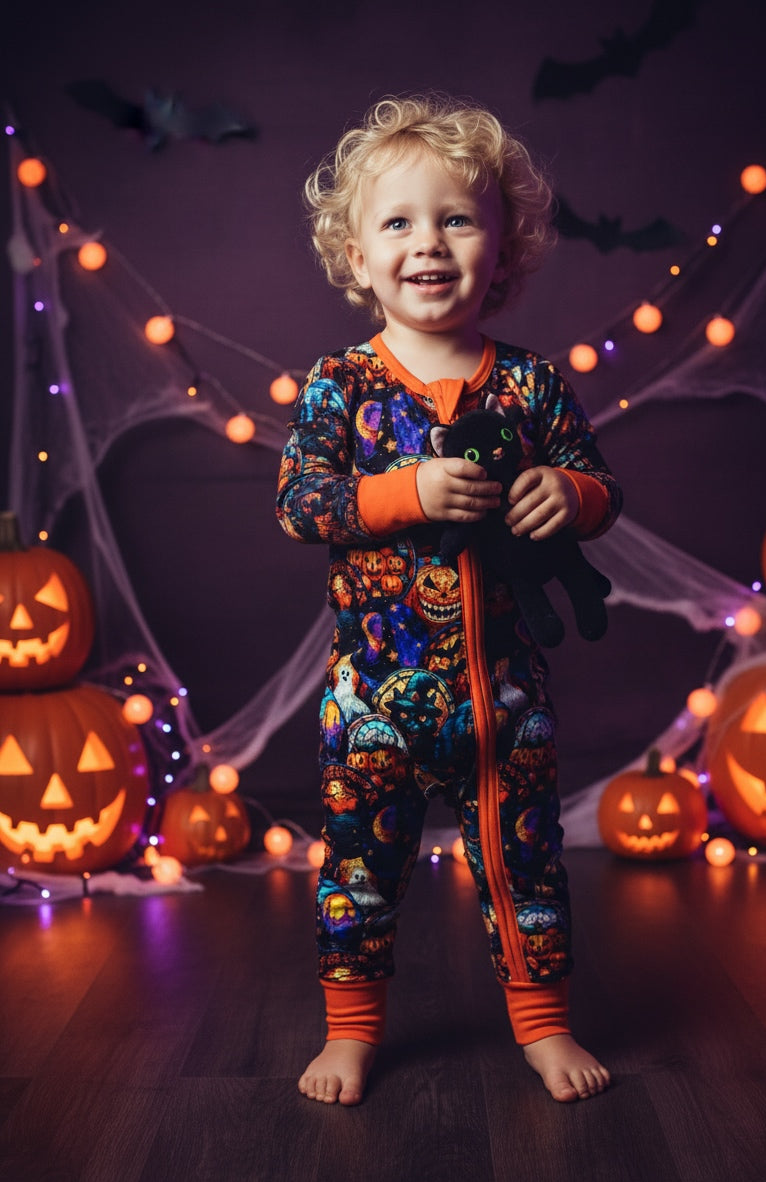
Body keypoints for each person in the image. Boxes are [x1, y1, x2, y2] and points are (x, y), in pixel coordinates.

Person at [276, 93, 621, 1107]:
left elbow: (599, 484)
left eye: (458, 219)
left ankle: (544, 1022)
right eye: (399, 222)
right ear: (355, 253)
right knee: (358, 871)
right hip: (373, 701)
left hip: (505, 698)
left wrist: (573, 494)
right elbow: (300, 502)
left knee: (526, 865)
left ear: (502, 248)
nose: (429, 242)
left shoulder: (532, 386)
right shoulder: (341, 386)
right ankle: (351, 1030)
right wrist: (403, 491)